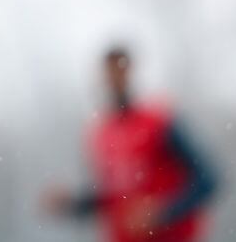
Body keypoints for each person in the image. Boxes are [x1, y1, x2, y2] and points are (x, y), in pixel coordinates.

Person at [42, 46, 220, 242]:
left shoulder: (159, 122)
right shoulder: (101, 133)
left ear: (131, 72)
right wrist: (72, 204)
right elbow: (111, 196)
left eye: (120, 70)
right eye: (109, 73)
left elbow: (208, 179)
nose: (114, 79)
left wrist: (164, 212)